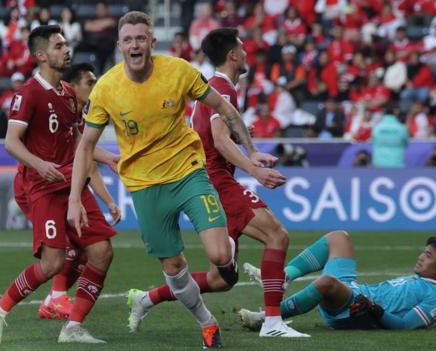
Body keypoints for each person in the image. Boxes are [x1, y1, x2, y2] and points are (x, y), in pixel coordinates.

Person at [67, 13, 279, 349]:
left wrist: (251, 151)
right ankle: (207, 323)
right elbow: (86, 146)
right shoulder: (107, 88)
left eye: (141, 38)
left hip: (189, 173)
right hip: (145, 187)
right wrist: (74, 199)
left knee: (221, 256)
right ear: (120, 45)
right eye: (128, 39)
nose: (135, 44)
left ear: (152, 42)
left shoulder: (178, 71)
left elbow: (224, 108)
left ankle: (227, 248)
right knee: (174, 265)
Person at [125, 28, 309, 338]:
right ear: (233, 55)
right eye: (243, 47)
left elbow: (213, 134)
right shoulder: (222, 88)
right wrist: (255, 169)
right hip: (216, 180)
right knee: (277, 235)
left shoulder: (212, 88)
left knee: (223, 279)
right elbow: (220, 141)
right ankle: (273, 324)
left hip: (209, 177)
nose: (247, 53)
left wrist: (243, 141)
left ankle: (146, 298)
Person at [0, 25, 118, 345]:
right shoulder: (28, 93)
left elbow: (80, 141)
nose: (66, 49)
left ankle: (72, 328)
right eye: (58, 46)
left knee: (101, 252)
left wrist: (108, 157)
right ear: (42, 55)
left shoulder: (69, 94)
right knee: (53, 263)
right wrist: (40, 165)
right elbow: (11, 142)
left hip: (71, 183)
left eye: (66, 44)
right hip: (43, 186)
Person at [29, 62, 120, 320]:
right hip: (42, 186)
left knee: (88, 247)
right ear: (73, 86)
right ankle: (55, 297)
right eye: (90, 82)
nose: (96, 86)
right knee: (73, 242)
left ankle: (54, 299)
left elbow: (86, 155)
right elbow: (87, 163)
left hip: (63, 184)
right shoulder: (58, 109)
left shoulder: (78, 115)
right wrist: (110, 201)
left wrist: (108, 159)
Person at [238, 230, 436, 330]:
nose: (420, 257)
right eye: (423, 252)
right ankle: (284, 277)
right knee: (339, 237)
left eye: (428, 255)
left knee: (326, 281)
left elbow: (405, 326)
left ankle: (266, 318)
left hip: (353, 309)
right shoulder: (418, 279)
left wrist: (376, 311)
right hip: (354, 291)